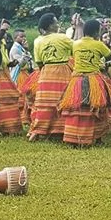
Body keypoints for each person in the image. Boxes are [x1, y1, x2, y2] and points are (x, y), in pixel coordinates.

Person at [59, 19, 111, 146]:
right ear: (96, 31)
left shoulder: (75, 44)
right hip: (94, 80)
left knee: (76, 109)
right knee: (99, 108)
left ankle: (74, 137)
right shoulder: (98, 45)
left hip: (76, 80)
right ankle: (97, 138)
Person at [28, 13, 76, 141]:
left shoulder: (38, 41)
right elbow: (76, 49)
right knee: (64, 100)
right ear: (50, 25)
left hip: (46, 72)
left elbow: (38, 61)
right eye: (56, 22)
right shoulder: (63, 37)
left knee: (44, 104)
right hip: (62, 71)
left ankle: (38, 130)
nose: (58, 24)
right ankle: (63, 129)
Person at [9, 28, 34, 125]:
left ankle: (26, 117)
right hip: (20, 74)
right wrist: (26, 50)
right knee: (23, 95)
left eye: (24, 36)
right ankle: (23, 118)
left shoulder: (21, 47)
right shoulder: (15, 49)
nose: (24, 38)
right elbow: (21, 64)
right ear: (15, 37)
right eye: (21, 36)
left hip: (26, 73)